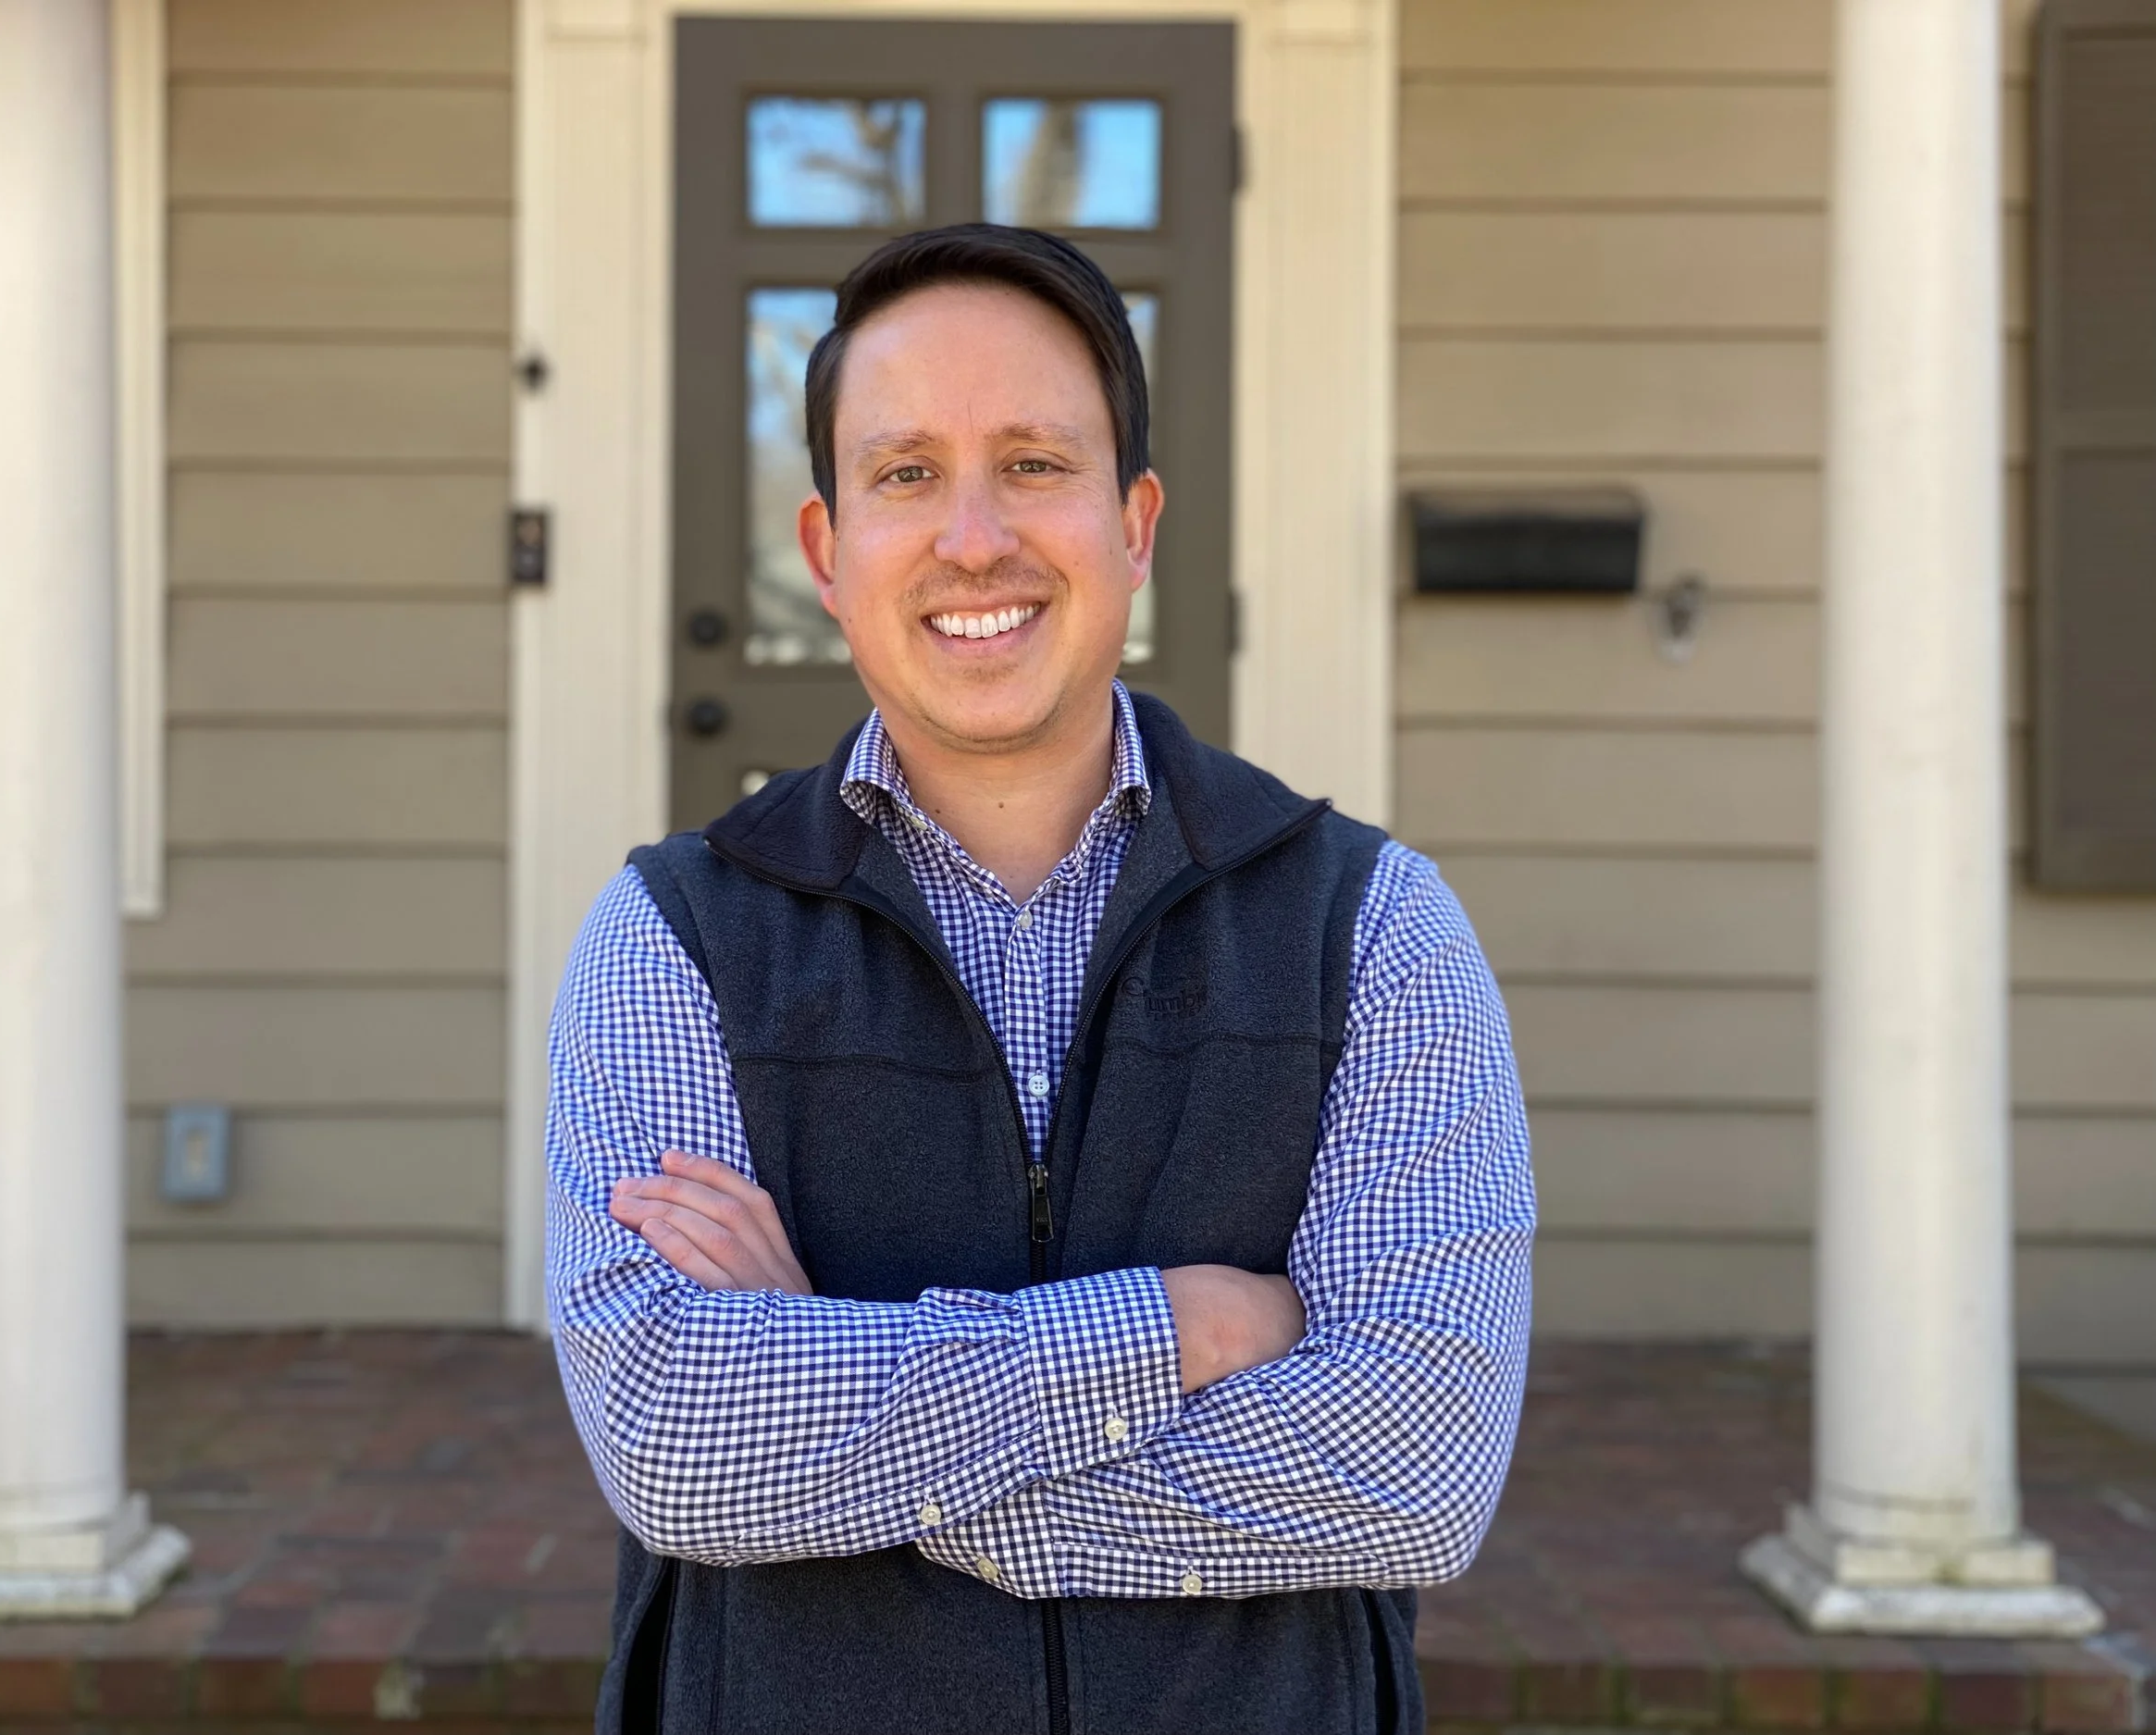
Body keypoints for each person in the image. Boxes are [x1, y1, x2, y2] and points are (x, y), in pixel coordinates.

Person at [546, 223, 1535, 1735]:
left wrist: (845, 1450)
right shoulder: (677, 934)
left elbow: (1416, 1468)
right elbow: (680, 1447)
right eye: (904, 474)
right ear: (827, 552)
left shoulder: (1372, 927)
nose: (972, 540)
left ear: (1135, 523)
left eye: (1033, 463)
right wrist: (1174, 1332)